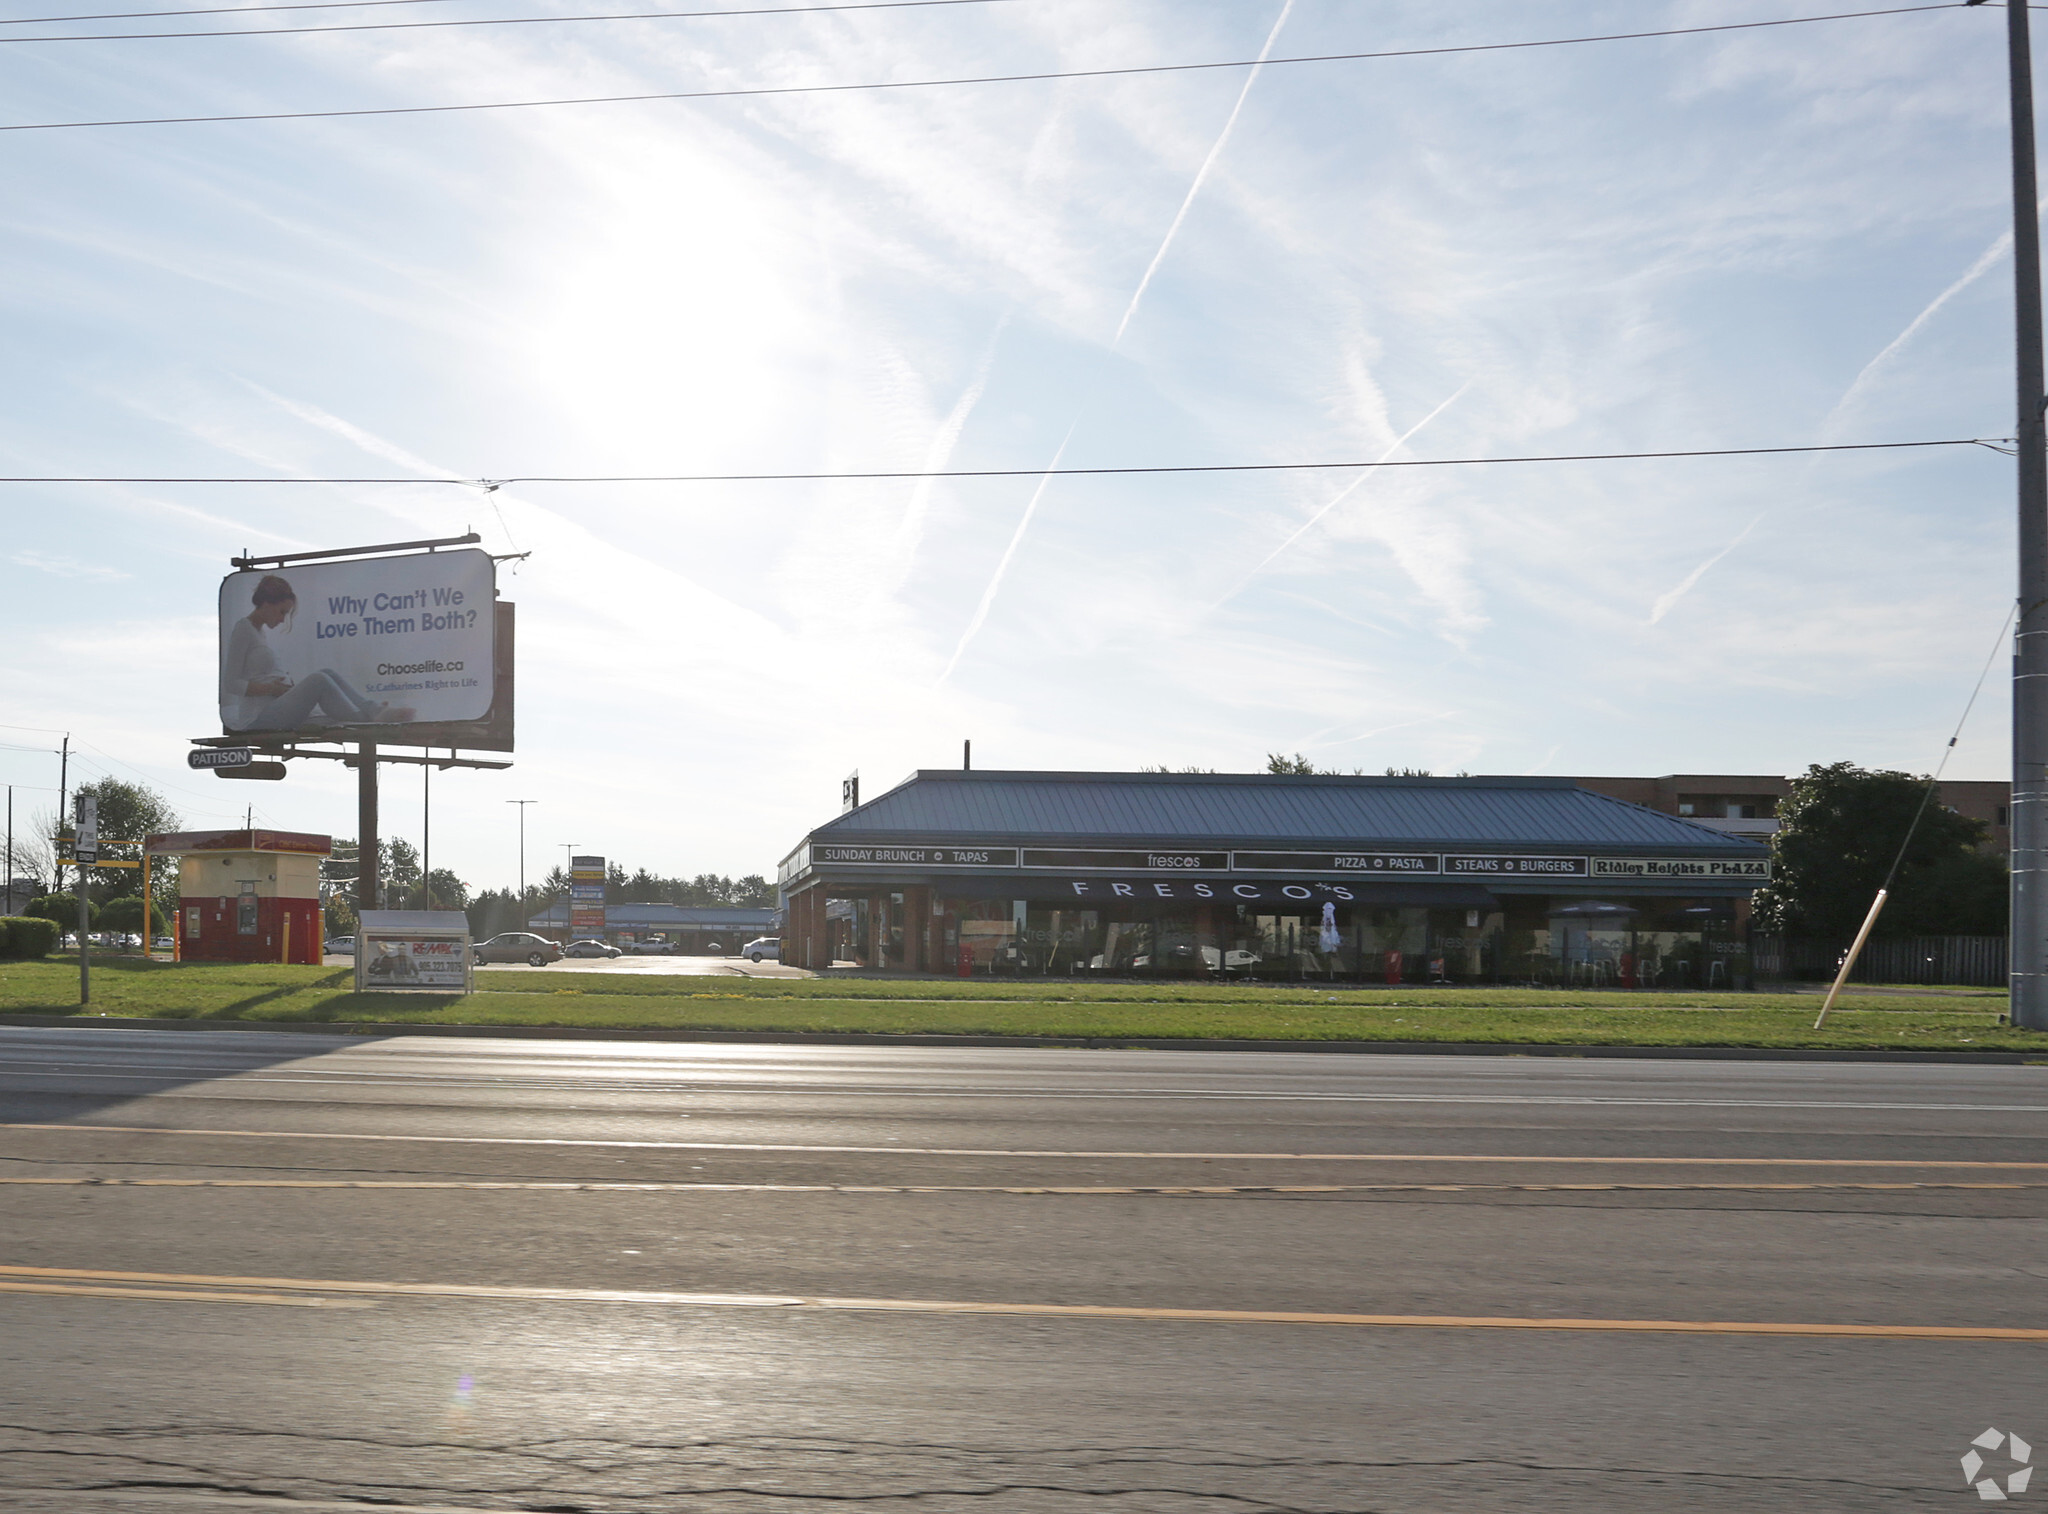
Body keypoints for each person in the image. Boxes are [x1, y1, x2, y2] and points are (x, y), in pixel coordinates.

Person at [221, 574, 416, 732]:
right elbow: (231, 684)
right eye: (282, 612)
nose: (283, 619)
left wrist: (282, 689)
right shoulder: (243, 629)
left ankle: (374, 711)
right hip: (258, 717)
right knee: (318, 680)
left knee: (327, 672)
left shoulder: (259, 633)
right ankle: (366, 719)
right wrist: (272, 689)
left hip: (274, 706)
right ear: (266, 604)